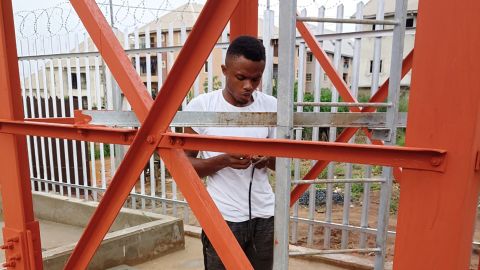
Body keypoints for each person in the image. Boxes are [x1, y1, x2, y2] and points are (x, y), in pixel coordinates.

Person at [184, 35, 276, 270]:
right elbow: (184, 167)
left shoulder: (271, 106)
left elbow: (284, 162)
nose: (248, 86)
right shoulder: (202, 107)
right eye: (241, 77)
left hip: (264, 214)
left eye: (255, 79)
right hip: (222, 216)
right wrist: (224, 160)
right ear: (225, 70)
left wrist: (268, 159)